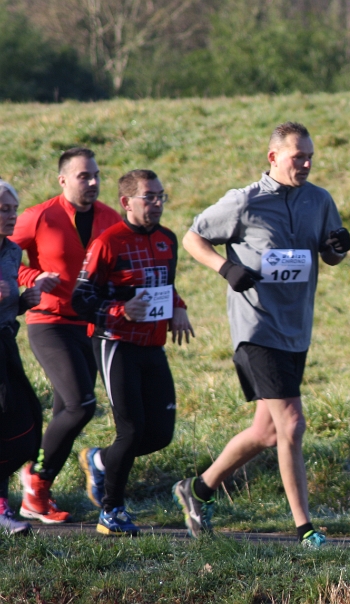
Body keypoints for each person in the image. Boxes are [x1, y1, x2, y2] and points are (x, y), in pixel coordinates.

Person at [171, 122, 350, 547]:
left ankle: (198, 489)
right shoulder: (244, 201)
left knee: (267, 432)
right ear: (273, 157)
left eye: (310, 156)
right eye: (297, 156)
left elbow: (330, 256)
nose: (306, 164)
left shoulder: (319, 200)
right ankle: (305, 528)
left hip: (296, 327)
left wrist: (337, 248)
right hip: (256, 327)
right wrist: (226, 267)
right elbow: (193, 238)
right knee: (292, 425)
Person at [72, 169, 194, 535]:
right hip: (115, 343)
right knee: (131, 430)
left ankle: (99, 461)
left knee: (159, 434)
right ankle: (111, 512)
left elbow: (165, 285)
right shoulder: (108, 242)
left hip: (152, 345)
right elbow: (81, 299)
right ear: (127, 202)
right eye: (149, 197)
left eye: (160, 196)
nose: (157, 203)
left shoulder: (167, 239)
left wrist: (179, 307)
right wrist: (119, 311)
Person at [11, 148, 121, 523]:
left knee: (66, 412)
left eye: (96, 175)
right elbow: (7, 254)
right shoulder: (39, 216)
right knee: (81, 405)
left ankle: (37, 496)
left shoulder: (109, 218)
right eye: (83, 176)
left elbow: (119, 266)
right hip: (50, 322)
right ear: (63, 180)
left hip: (90, 325)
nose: (92, 182)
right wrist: (31, 277)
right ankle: (35, 479)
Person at [0, 179, 44, 535]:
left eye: (14, 209)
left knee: (27, 422)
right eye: (3, 209)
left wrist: (24, 301)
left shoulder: (13, 251)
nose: (12, 215)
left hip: (5, 344)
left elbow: (6, 305)